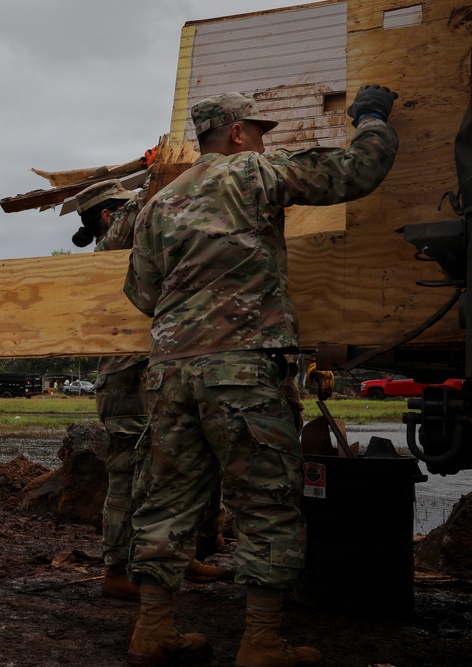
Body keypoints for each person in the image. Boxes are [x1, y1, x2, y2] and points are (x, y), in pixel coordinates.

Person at [123, 86, 399, 666]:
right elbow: (357, 172)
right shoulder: (252, 172)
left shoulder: (159, 204)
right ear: (238, 134)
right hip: (243, 369)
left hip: (171, 371)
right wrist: (372, 119)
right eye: (258, 130)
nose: (262, 139)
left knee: (165, 498)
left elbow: (142, 294)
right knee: (265, 501)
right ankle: (262, 641)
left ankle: (152, 629)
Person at [74, 179, 227, 602]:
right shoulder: (111, 248)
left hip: (151, 374)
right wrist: (158, 178)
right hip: (128, 381)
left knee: (171, 473)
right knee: (127, 481)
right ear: (109, 216)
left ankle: (176, 555)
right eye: (125, 209)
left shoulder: (136, 248)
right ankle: (117, 569)